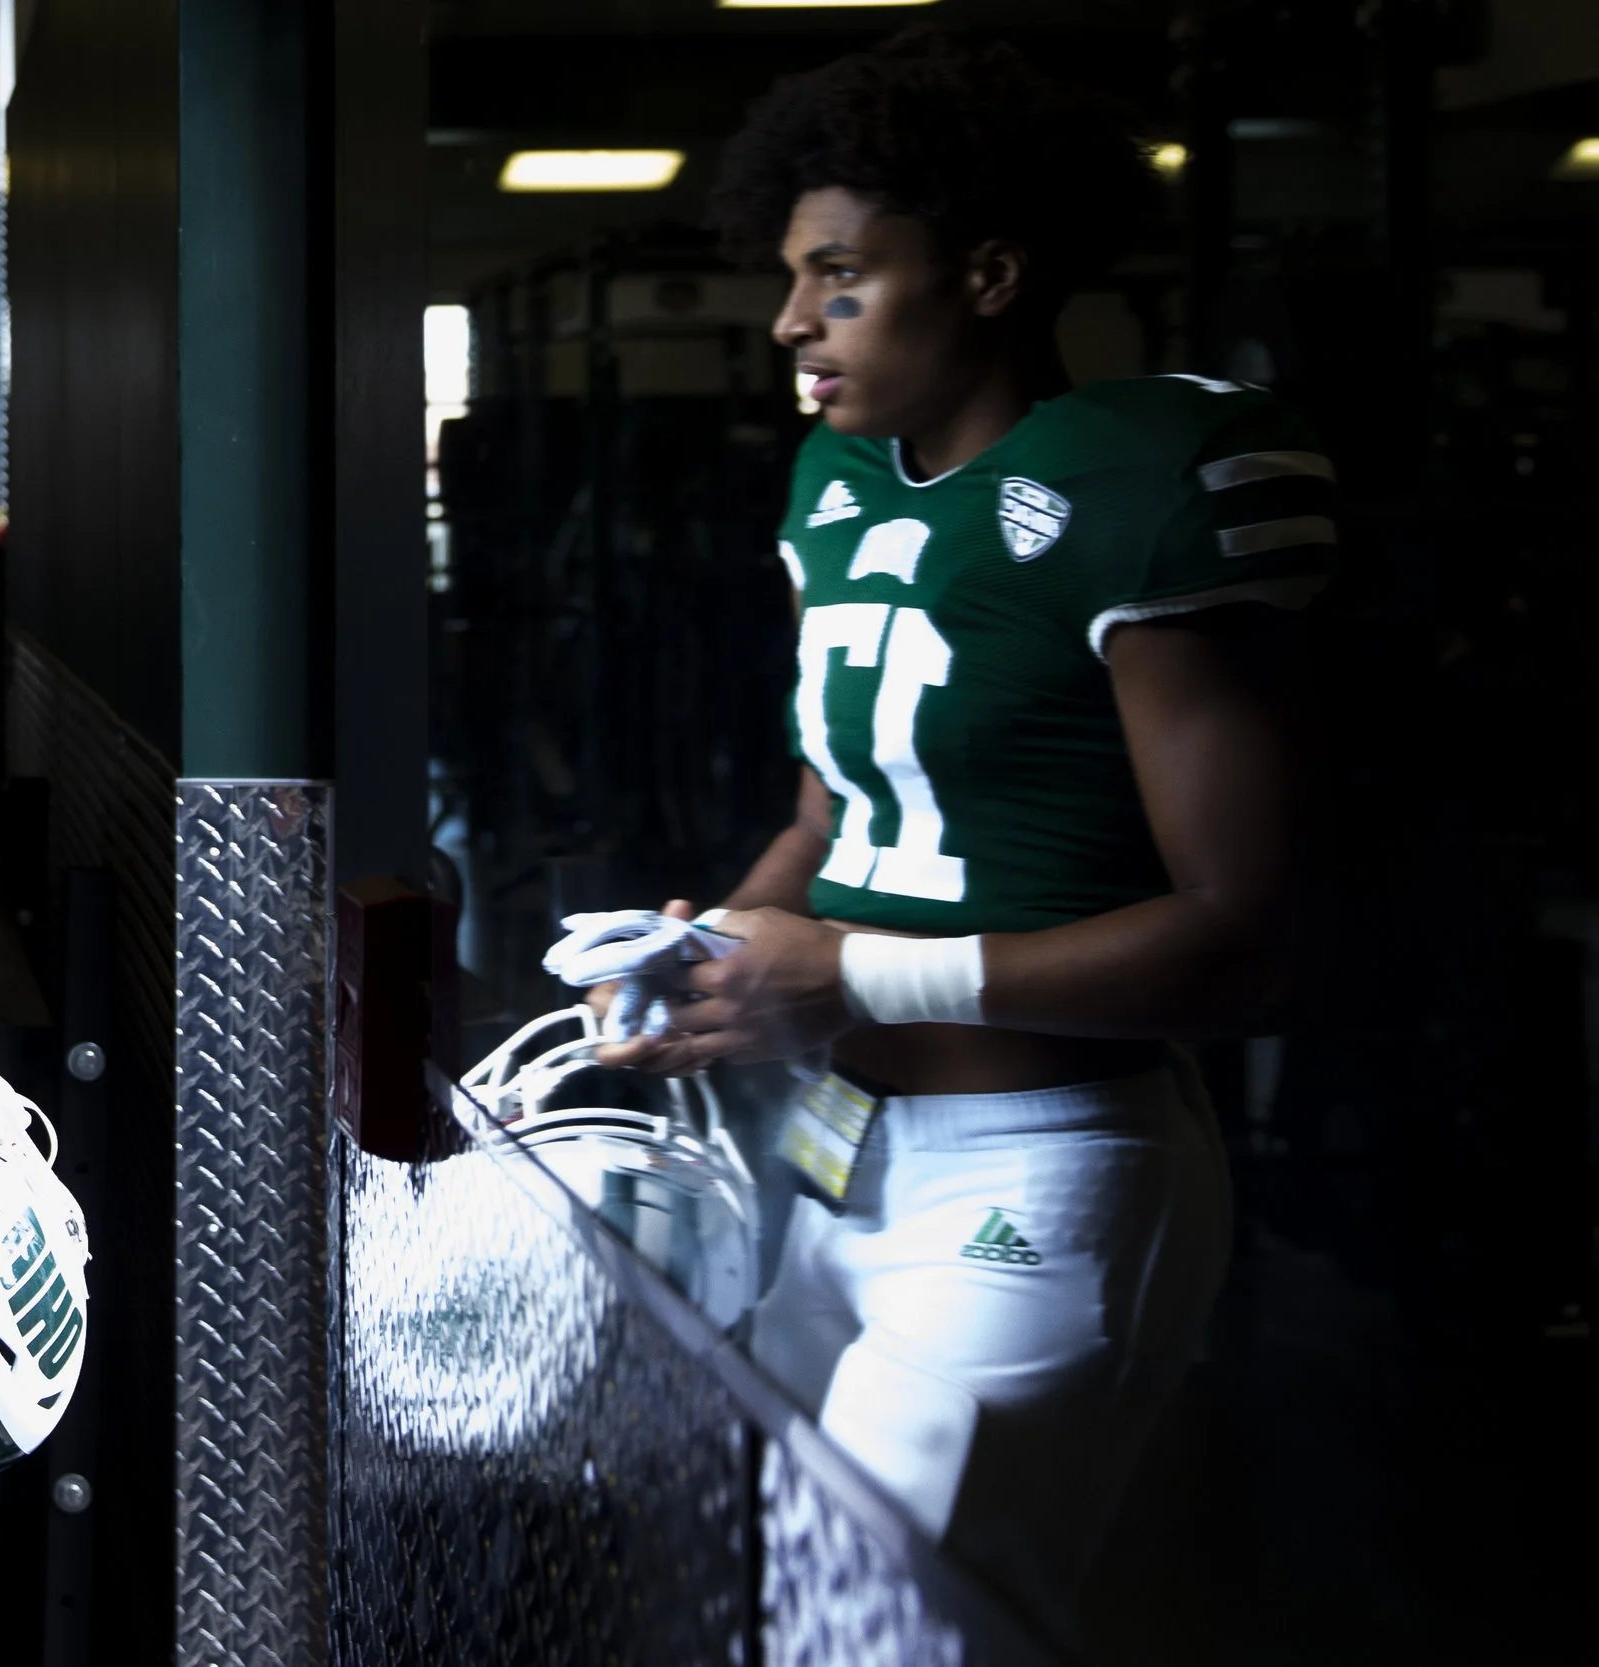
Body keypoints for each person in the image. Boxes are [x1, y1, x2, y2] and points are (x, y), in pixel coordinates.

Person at [600, 31, 1334, 1633]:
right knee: (771, 1594)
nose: (793, 318)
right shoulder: (834, 480)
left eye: (843, 276)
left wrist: (853, 976)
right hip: (830, 1146)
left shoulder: (1148, 473)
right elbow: (833, 811)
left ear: (991, 273)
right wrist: (711, 950)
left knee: (869, 1625)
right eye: (794, 276)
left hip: (1046, 1164)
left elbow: (1246, 933)